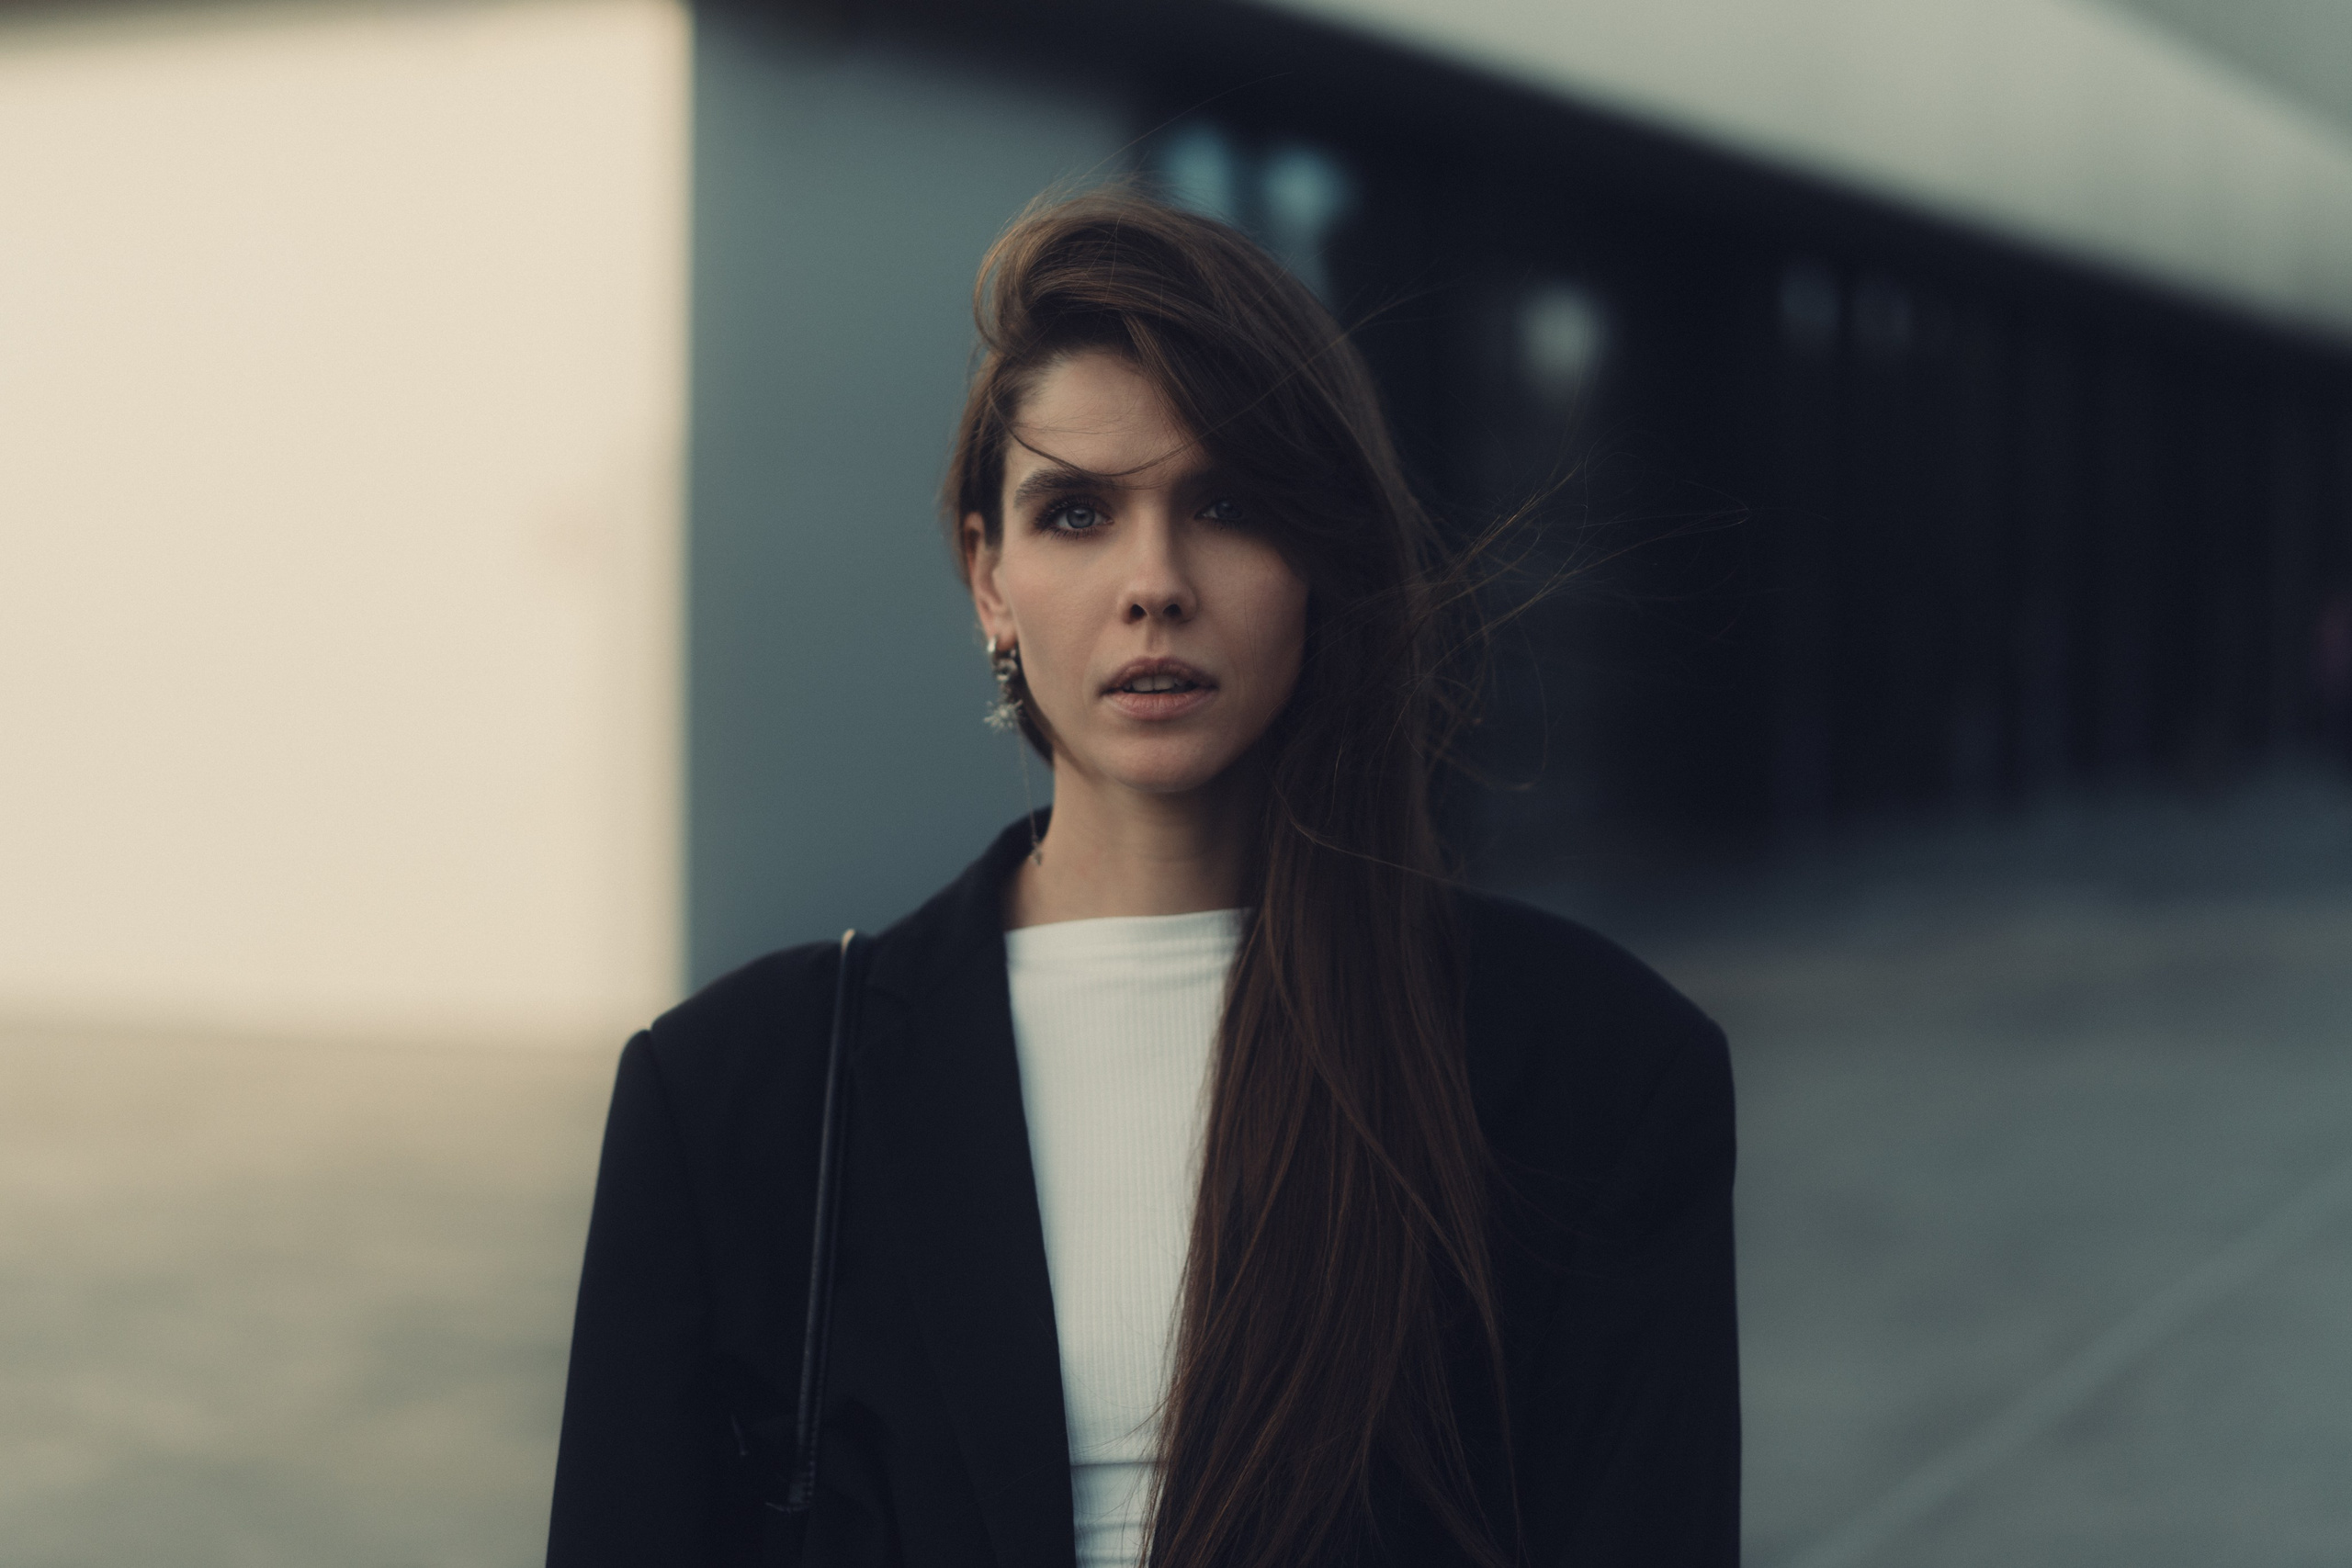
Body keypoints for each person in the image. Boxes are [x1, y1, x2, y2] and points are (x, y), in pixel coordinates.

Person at [546, 187, 1737, 1568]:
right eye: (1076, 515)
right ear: (988, 579)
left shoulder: (1594, 1070)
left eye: (1227, 505)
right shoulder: (735, 1100)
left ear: (1319, 563)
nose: (1155, 581)